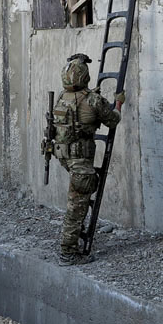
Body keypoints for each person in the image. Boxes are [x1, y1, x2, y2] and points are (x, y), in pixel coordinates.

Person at [51, 53, 124, 263]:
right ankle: (68, 253)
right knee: (77, 205)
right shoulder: (92, 100)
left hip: (65, 156)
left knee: (79, 197)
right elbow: (113, 121)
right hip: (80, 160)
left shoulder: (62, 98)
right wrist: (118, 103)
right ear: (85, 76)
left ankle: (70, 244)